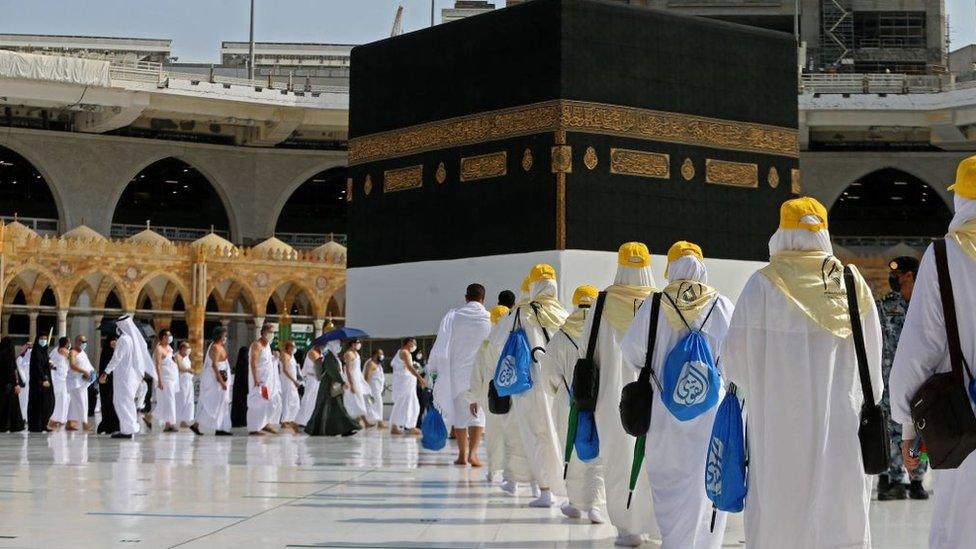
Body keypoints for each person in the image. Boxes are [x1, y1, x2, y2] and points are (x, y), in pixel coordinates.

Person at [722, 197, 881, 549]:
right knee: (840, 511)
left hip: (777, 430)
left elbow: (734, 365)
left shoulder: (762, 286)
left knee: (782, 510)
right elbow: (873, 369)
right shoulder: (853, 286)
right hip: (843, 429)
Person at [621, 241, 733, 548]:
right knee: (705, 477)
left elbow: (631, 353)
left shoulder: (655, 303)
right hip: (709, 411)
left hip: (662, 410)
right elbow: (736, 356)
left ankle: (675, 542)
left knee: (668, 478)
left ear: (670, 268)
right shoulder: (720, 304)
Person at [889, 156, 976, 549]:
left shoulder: (945, 256)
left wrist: (910, 427)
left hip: (964, 423)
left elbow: (919, 349)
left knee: (960, 526)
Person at [577, 243, 657, 545]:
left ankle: (627, 528)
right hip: (651, 398)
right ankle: (652, 524)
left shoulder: (601, 302)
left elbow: (587, 351)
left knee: (617, 460)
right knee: (650, 461)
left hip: (610, 398)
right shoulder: (658, 302)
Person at [490, 265, 568, 507]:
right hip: (559, 384)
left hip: (530, 385)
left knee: (536, 436)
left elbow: (495, 342)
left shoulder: (522, 312)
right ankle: (567, 489)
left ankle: (546, 491)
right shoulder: (563, 312)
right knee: (560, 435)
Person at [540, 284, 607, 524]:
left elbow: (549, 375)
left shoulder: (561, 334)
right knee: (598, 454)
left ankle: (577, 503)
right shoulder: (604, 331)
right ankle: (597, 504)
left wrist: (558, 388)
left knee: (573, 453)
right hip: (601, 401)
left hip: (569, 403)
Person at [874, 255, 928, 500]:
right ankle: (894, 478)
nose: (894, 279)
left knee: (923, 427)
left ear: (910, 276)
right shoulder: (885, 306)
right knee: (893, 428)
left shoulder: (927, 306)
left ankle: (917, 479)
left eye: (899, 275)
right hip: (889, 379)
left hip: (921, 378)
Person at [429, 283, 492, 467]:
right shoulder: (489, 318)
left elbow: (440, 346)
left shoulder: (453, 317)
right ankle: (473, 453)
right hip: (479, 374)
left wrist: (434, 371)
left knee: (459, 416)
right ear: (483, 298)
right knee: (478, 416)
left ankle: (462, 455)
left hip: (456, 374)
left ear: (466, 297)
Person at [469, 305, 516, 482]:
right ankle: (513, 474)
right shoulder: (513, 338)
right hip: (513, 392)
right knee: (512, 434)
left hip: (492, 395)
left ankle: (494, 470)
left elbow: (477, 372)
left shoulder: (487, 342)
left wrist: (473, 398)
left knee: (494, 434)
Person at [101, 315, 156, 439]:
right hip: (131, 377)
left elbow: (117, 358)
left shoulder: (124, 339)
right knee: (127, 402)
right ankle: (129, 427)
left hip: (124, 377)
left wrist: (106, 372)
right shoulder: (131, 339)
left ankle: (127, 429)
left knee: (121, 402)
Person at [305, 339, 361, 437]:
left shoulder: (332, 355)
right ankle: (319, 429)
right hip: (329, 385)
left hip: (332, 385)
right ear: (332, 344)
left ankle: (344, 429)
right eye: (338, 344)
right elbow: (332, 370)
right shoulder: (329, 356)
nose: (339, 346)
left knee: (335, 409)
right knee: (330, 408)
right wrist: (342, 382)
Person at [192, 326, 233, 436]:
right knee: (211, 403)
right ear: (220, 336)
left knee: (220, 403)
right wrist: (221, 381)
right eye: (224, 335)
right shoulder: (215, 347)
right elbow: (214, 365)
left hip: (221, 378)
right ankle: (210, 427)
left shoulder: (221, 347)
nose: (226, 338)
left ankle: (220, 427)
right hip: (215, 380)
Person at [247, 323, 278, 435]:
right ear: (263, 332)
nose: (271, 334)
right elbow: (253, 362)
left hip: (267, 380)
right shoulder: (257, 345)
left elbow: (266, 361)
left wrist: (274, 357)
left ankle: (265, 423)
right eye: (269, 332)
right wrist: (256, 379)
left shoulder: (267, 346)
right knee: (258, 402)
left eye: (273, 332)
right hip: (259, 380)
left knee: (268, 402)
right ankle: (254, 428)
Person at [390, 338, 424, 435]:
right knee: (401, 405)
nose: (415, 346)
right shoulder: (404, 352)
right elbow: (409, 367)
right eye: (414, 343)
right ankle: (394, 426)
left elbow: (408, 366)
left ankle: (410, 426)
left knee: (413, 406)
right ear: (408, 343)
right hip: (404, 384)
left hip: (408, 384)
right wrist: (420, 379)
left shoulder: (406, 353)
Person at [152, 329, 179, 433]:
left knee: (168, 401)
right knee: (169, 401)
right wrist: (160, 380)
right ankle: (170, 424)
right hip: (165, 379)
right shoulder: (159, 349)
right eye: (168, 335)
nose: (170, 337)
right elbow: (158, 365)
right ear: (163, 337)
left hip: (172, 378)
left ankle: (165, 423)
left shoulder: (169, 348)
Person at [66, 335, 95, 432]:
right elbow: (72, 365)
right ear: (76, 342)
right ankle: (84, 423)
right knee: (81, 402)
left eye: (85, 341)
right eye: (82, 341)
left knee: (74, 403)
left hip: (83, 382)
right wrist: (84, 372)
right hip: (75, 382)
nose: (84, 343)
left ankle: (69, 423)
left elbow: (87, 365)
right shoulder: (72, 352)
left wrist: (91, 373)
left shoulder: (82, 353)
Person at [26, 334, 54, 433]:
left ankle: (44, 424)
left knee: (47, 403)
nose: (44, 340)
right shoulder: (36, 352)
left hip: (46, 382)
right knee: (37, 404)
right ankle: (36, 425)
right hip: (38, 383)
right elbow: (37, 367)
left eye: (45, 339)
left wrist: (50, 364)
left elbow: (45, 364)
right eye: (42, 338)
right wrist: (43, 379)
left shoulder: (44, 352)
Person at [341, 339, 371, 428]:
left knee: (359, 401)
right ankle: (363, 422)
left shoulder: (356, 354)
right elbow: (348, 370)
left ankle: (362, 422)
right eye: (358, 343)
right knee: (354, 401)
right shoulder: (348, 354)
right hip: (351, 381)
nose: (359, 345)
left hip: (358, 380)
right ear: (352, 344)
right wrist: (352, 384)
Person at [0, 337, 25, 432]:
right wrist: (16, 384)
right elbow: (11, 371)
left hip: (2, 385)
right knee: (11, 406)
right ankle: (13, 425)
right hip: (9, 385)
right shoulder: (8, 355)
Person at [96, 335, 120, 434]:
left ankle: (116, 425)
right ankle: (107, 424)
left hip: (116, 382)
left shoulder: (118, 353)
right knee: (107, 403)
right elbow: (103, 366)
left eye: (115, 340)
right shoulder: (106, 352)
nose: (114, 342)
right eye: (112, 340)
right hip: (106, 382)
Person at [278, 341, 302, 434]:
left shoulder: (292, 356)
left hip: (292, 382)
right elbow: (285, 370)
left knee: (295, 401)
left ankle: (291, 420)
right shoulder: (284, 355)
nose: (294, 348)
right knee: (287, 400)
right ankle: (284, 421)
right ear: (288, 347)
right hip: (287, 381)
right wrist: (294, 380)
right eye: (292, 346)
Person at [48, 337, 71, 431]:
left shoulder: (54, 350)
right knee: (63, 399)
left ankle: (55, 418)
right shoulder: (66, 351)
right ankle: (60, 419)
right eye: (68, 342)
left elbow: (49, 361)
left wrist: (53, 366)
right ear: (66, 344)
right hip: (61, 378)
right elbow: (72, 361)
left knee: (57, 398)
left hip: (55, 377)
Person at [297, 344, 322, 427]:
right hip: (312, 379)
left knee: (314, 399)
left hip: (318, 379)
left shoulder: (320, 353)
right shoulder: (312, 352)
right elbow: (319, 364)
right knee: (308, 398)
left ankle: (311, 419)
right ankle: (303, 420)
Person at [364, 348, 387, 428]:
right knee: (377, 405)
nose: (382, 356)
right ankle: (380, 423)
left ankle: (371, 422)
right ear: (375, 355)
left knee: (375, 406)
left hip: (377, 389)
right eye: (380, 354)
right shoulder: (371, 364)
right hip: (372, 390)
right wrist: (366, 390)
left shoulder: (378, 365)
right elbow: (367, 377)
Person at [175, 341, 195, 429]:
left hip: (188, 382)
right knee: (181, 401)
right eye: (187, 348)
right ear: (182, 348)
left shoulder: (186, 357)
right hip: (181, 383)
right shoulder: (177, 356)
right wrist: (188, 370)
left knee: (188, 402)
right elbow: (180, 367)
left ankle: (184, 421)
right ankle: (174, 420)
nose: (189, 350)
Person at [231, 346, 249, 428]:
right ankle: (240, 421)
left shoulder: (240, 363)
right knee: (241, 405)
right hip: (243, 388)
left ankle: (240, 421)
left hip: (240, 389)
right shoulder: (243, 364)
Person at [15, 341, 30, 422]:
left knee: (28, 401)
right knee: (23, 401)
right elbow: (20, 371)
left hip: (30, 383)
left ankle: (27, 418)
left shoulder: (30, 358)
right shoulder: (20, 358)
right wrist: (24, 380)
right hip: (24, 383)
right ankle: (22, 418)